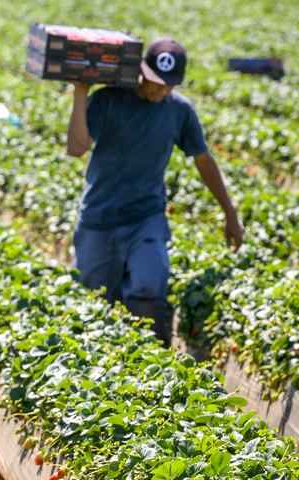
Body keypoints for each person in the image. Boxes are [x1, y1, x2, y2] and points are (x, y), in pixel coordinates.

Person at [66, 38, 243, 347]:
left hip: (145, 218)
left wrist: (230, 214)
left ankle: (154, 357)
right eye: (155, 82)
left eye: (168, 85)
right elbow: (76, 148)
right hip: (99, 217)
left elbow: (203, 160)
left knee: (149, 286)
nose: (161, 90)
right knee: (92, 303)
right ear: (141, 71)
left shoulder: (179, 110)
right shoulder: (108, 99)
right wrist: (81, 92)